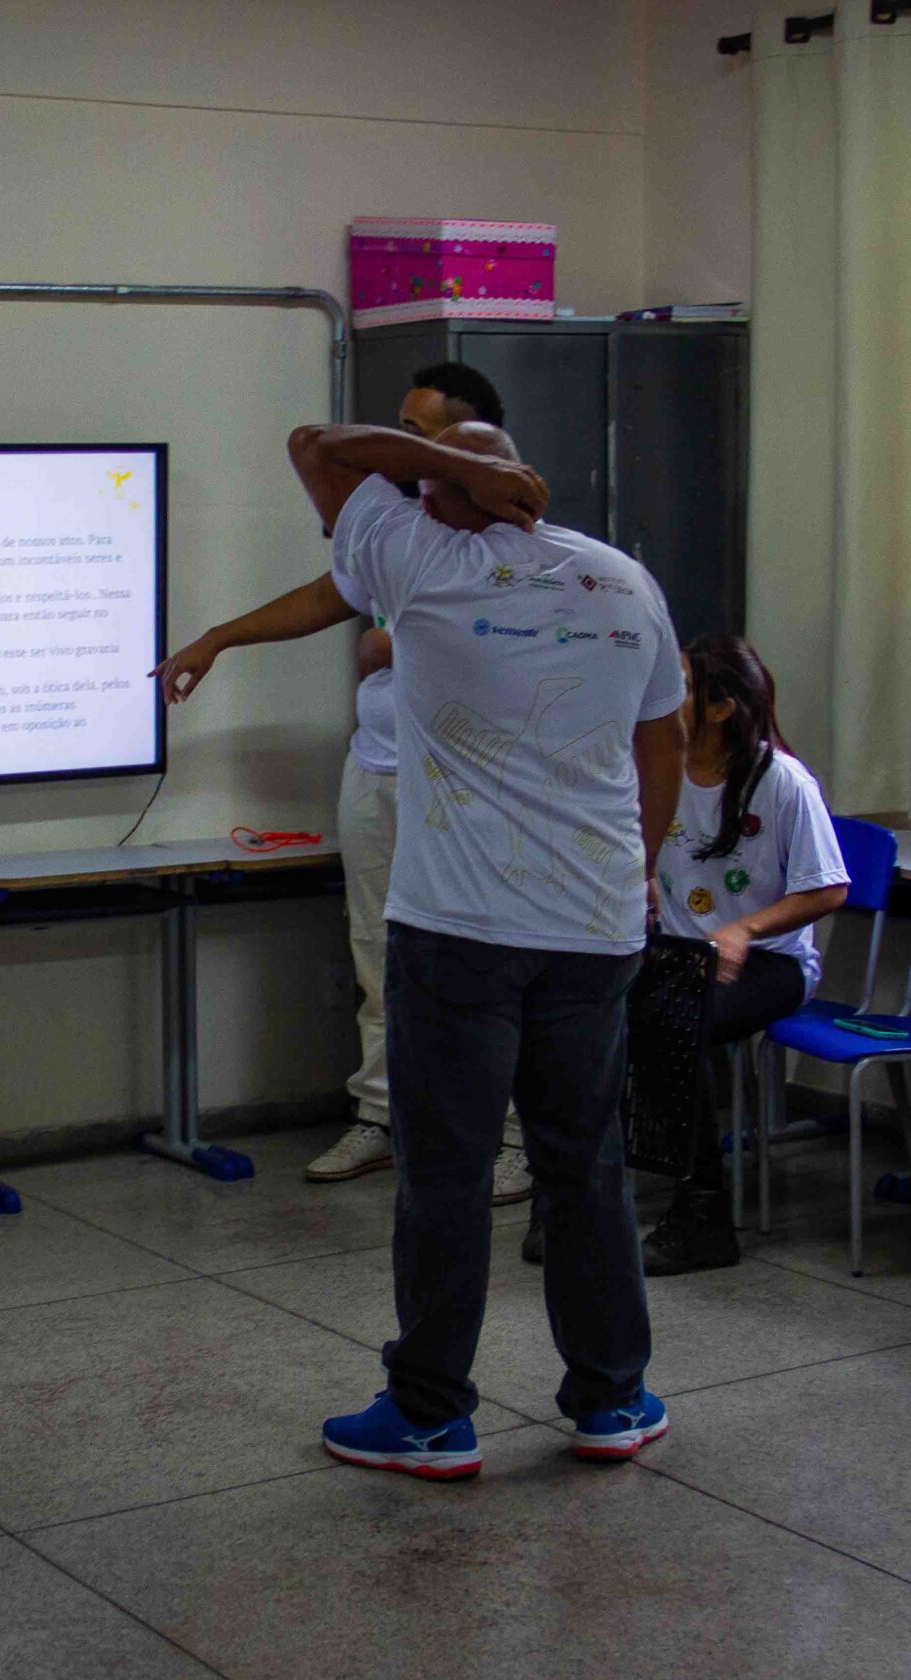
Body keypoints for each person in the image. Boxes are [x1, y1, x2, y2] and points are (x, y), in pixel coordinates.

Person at [278, 417, 686, 1479]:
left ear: (432, 488)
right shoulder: (619, 578)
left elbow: (317, 443)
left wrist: (450, 471)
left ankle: (427, 1414)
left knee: (447, 1173)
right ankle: (611, 1399)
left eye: (423, 475)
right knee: (583, 1163)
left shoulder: (414, 554)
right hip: (595, 924)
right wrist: (635, 869)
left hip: (459, 931)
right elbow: (663, 737)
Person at [151, 364, 532, 1204]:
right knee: (379, 954)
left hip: (470, 786)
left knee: (483, 963)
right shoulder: (398, 525)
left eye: (421, 433)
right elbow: (330, 587)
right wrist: (218, 636)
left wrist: (406, 640)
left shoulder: (513, 524)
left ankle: (508, 1135)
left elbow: (513, 635)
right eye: (398, 425)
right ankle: (382, 1113)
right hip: (382, 766)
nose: (399, 448)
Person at [521, 633, 849, 1275]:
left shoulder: (780, 781)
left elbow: (829, 887)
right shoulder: (652, 766)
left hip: (769, 963)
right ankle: (576, 1200)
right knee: (581, 1016)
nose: (663, 697)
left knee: (673, 1020)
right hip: (672, 954)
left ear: (722, 708)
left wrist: (743, 929)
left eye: (684, 688)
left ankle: (703, 1214)